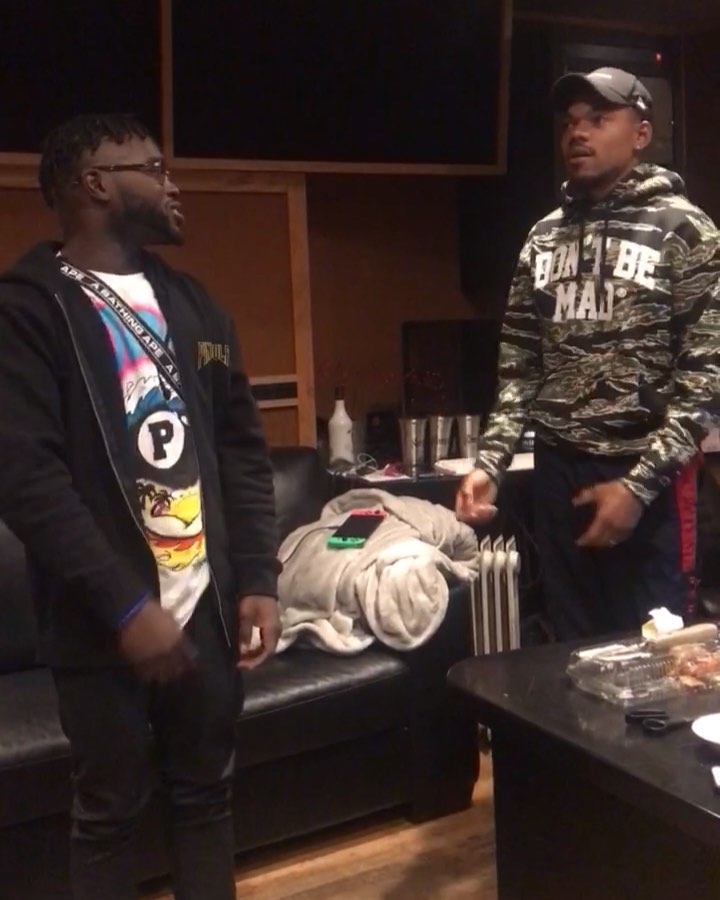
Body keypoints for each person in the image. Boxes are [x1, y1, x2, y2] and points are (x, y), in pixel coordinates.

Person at [0, 114, 281, 900]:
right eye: (154, 168)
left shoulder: (194, 305)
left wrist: (258, 577)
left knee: (206, 798)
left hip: (206, 614)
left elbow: (241, 451)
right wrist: (126, 606)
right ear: (95, 183)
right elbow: (26, 477)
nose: (172, 184)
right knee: (109, 814)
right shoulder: (28, 310)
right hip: (102, 626)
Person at [456, 68, 720, 640]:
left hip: (649, 473)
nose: (578, 132)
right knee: (570, 646)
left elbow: (706, 379)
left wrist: (637, 489)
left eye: (598, 119)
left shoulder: (685, 231)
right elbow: (520, 365)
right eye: (571, 122)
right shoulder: (543, 237)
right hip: (558, 471)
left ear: (641, 133)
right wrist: (491, 463)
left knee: (658, 649)